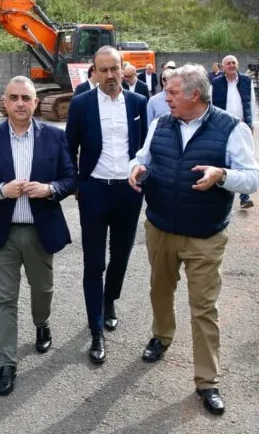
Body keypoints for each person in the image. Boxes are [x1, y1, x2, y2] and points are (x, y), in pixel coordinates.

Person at [129, 64, 259, 416]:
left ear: (194, 95)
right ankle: (162, 336)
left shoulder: (233, 129)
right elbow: (145, 157)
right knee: (159, 289)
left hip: (204, 235)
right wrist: (137, 168)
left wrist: (222, 175)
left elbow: (252, 179)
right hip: (160, 228)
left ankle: (207, 381)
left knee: (204, 308)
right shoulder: (160, 123)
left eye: (171, 92)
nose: (164, 97)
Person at [0, 76, 76, 396]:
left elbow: (71, 178)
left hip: (40, 232)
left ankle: (42, 323)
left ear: (35, 102)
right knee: (4, 298)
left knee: (43, 289)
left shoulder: (54, 137)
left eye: (25, 98)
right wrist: (1, 190)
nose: (19, 103)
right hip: (2, 232)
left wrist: (50, 189)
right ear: (4, 101)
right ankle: (8, 362)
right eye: (13, 97)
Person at [66, 46, 147, 365]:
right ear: (95, 73)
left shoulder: (138, 103)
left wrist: (144, 179)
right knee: (93, 261)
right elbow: (68, 147)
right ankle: (96, 329)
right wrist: (76, 184)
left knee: (121, 256)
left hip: (129, 192)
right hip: (95, 191)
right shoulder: (81, 104)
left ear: (122, 68)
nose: (111, 75)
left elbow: (144, 149)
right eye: (104, 70)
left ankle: (109, 300)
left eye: (115, 69)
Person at [211, 55, 257, 209]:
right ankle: (222, 193)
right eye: (228, 63)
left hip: (241, 126)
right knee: (225, 157)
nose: (231, 65)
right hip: (222, 126)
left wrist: (252, 123)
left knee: (243, 158)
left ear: (237, 65)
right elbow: (210, 104)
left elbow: (251, 101)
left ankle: (245, 197)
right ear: (223, 67)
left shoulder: (245, 80)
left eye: (234, 63)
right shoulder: (216, 83)